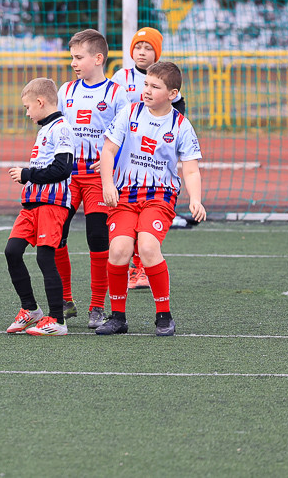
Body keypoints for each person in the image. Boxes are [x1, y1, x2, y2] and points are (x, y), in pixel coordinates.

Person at [97, 61, 206, 337]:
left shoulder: (181, 125)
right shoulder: (129, 113)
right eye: (146, 84)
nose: (146, 90)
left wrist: (196, 199)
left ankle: (164, 316)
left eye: (155, 87)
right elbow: (108, 151)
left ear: (172, 94)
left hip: (159, 196)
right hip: (125, 195)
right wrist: (108, 184)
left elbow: (190, 169)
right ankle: (118, 317)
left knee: (147, 247)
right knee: (119, 250)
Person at [55, 29, 128, 329]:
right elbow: (56, 130)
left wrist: (113, 160)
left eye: (78, 57)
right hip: (69, 175)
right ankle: (66, 300)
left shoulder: (116, 93)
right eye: (72, 57)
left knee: (97, 237)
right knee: (56, 233)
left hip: (99, 177)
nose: (73, 63)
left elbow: (127, 135)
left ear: (98, 58)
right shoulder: (66, 91)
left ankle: (97, 306)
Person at [111, 26, 187, 290]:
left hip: (152, 160)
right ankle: (126, 265)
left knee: (146, 216)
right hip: (124, 156)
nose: (141, 52)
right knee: (124, 216)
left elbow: (177, 116)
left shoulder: (167, 81)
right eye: (138, 46)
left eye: (148, 48)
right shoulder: (121, 77)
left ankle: (140, 268)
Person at [4, 78, 74, 336]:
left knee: (45, 257)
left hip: (52, 204)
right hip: (32, 204)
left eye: (28, 107)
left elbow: (62, 169)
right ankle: (31, 309)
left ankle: (57, 320)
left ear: (40, 102)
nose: (27, 113)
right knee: (12, 251)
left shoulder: (61, 128)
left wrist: (27, 174)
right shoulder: (45, 129)